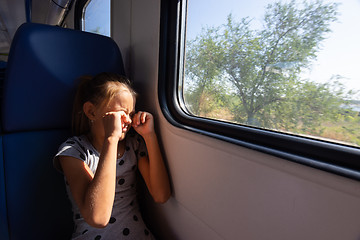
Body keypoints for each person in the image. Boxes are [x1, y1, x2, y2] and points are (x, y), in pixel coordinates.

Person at [53, 72, 171, 240]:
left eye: (131, 114)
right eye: (121, 113)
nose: (129, 121)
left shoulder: (133, 144)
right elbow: (97, 218)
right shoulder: (73, 151)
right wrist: (111, 138)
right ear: (91, 112)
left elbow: (161, 195)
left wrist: (149, 136)